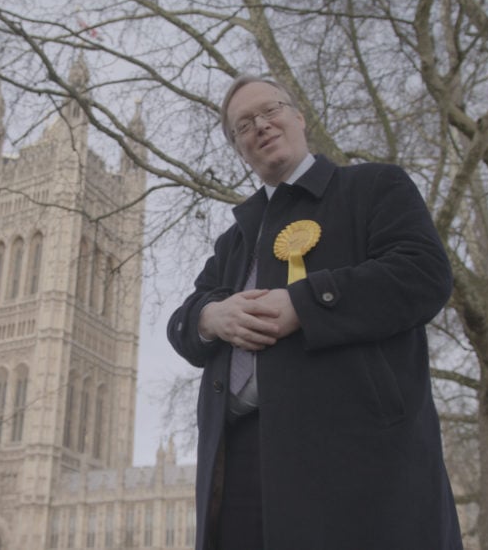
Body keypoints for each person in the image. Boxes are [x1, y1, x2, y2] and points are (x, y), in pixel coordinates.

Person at [167, 75, 463, 549]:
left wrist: (305, 303)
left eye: (270, 110)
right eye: (244, 124)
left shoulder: (374, 186)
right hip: (242, 461)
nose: (260, 126)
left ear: (299, 117)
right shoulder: (236, 239)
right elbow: (183, 323)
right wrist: (210, 318)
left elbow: (423, 275)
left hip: (356, 458)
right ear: (239, 148)